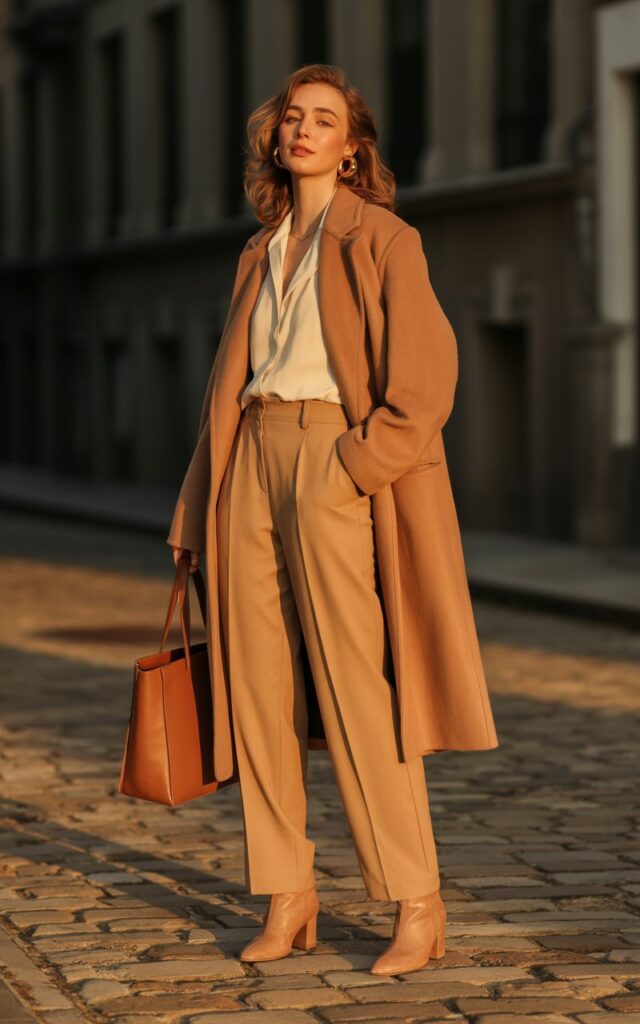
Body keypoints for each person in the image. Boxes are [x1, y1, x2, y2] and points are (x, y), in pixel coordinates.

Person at [168, 63, 499, 975]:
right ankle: (288, 895)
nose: (303, 130)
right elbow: (222, 390)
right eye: (292, 118)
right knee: (256, 696)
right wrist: (199, 505)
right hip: (249, 469)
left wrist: (351, 469)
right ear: (276, 138)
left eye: (324, 120)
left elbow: (428, 380)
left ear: (353, 148)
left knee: (359, 694)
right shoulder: (260, 247)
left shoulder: (384, 238)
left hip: (330, 461)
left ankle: (416, 901)